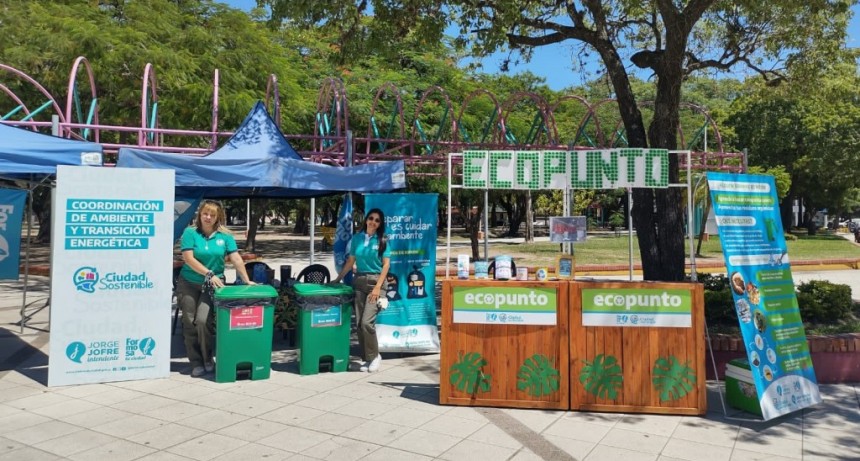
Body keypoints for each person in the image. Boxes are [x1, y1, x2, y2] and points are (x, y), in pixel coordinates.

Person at [176, 200, 255, 377]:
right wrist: (208, 273)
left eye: (212, 214)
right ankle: (195, 361)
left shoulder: (225, 236)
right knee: (189, 322)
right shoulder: (190, 233)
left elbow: (235, 259)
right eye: (205, 213)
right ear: (200, 214)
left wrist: (247, 280)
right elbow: (188, 258)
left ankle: (207, 358)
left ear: (218, 217)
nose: (208, 217)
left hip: (212, 284)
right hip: (188, 282)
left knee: (203, 321)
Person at [332, 208, 391, 372]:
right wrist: (338, 278)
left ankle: (376, 356)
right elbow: (351, 261)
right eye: (371, 218)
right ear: (366, 219)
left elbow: (386, 265)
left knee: (366, 322)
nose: (373, 222)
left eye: (377, 220)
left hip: (376, 283)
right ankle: (368, 358)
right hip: (359, 282)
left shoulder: (383, 240)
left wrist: (378, 288)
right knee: (358, 324)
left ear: (380, 224)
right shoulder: (357, 238)